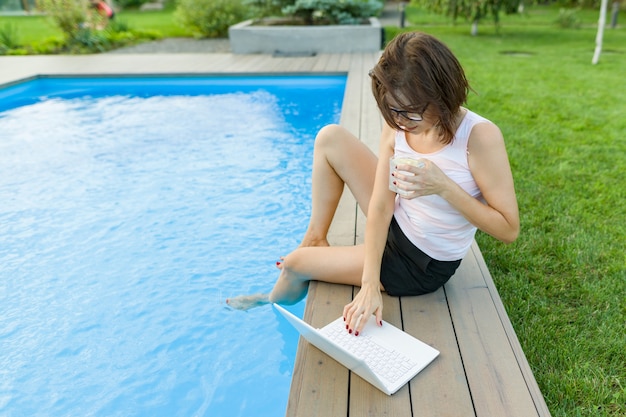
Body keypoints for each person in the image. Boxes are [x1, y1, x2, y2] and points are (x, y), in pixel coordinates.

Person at [226, 31, 519, 337]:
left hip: (420, 263)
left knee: (296, 264)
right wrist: (369, 283)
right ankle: (315, 239)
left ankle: (269, 301)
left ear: (443, 93)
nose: (402, 122)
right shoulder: (399, 123)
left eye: (411, 111)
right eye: (393, 110)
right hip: (399, 219)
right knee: (330, 138)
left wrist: (443, 186)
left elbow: (508, 229)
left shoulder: (479, 138)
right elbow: (380, 205)